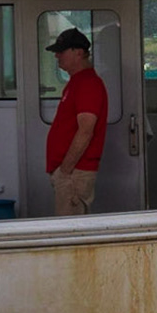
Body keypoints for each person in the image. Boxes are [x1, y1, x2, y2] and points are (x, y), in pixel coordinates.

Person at [45, 27, 108, 216]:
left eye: (61, 51)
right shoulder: (76, 82)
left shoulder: (88, 84)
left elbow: (86, 130)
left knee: (69, 233)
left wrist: (65, 170)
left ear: (78, 52)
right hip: (71, 173)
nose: (57, 56)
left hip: (74, 175)